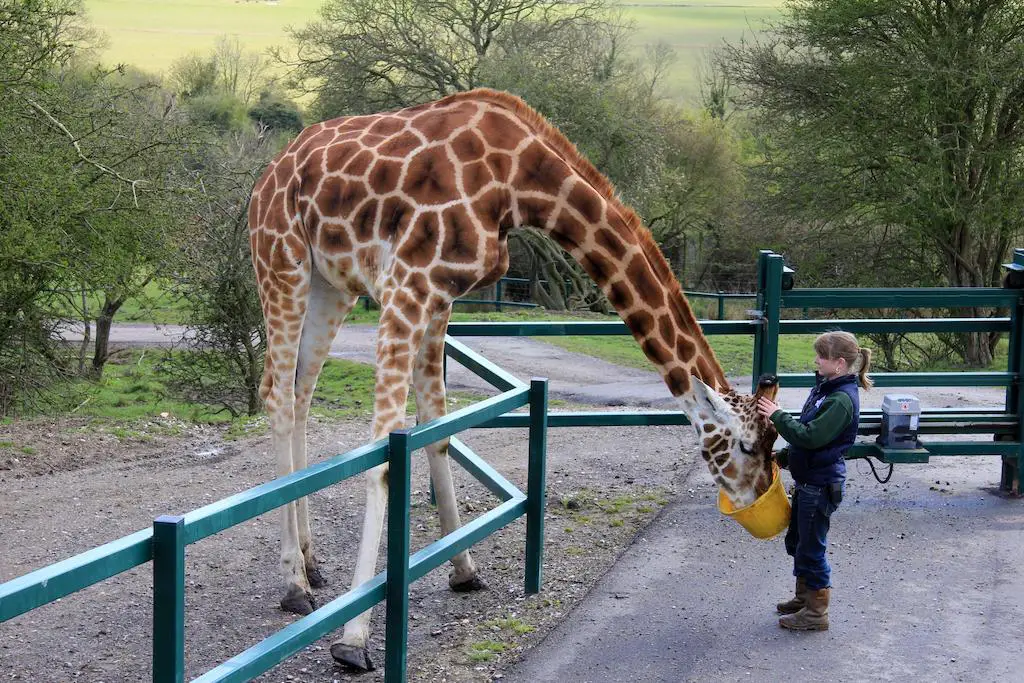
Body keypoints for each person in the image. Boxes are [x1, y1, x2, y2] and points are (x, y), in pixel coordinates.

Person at [755, 331, 872, 631]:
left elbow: (811, 437)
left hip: (820, 486)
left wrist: (778, 416)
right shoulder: (825, 389)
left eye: (822, 356)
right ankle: (804, 598)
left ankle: (817, 614)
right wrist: (782, 459)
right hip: (809, 482)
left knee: (812, 549)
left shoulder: (842, 401)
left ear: (840, 363)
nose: (816, 360)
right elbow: (808, 431)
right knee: (798, 542)